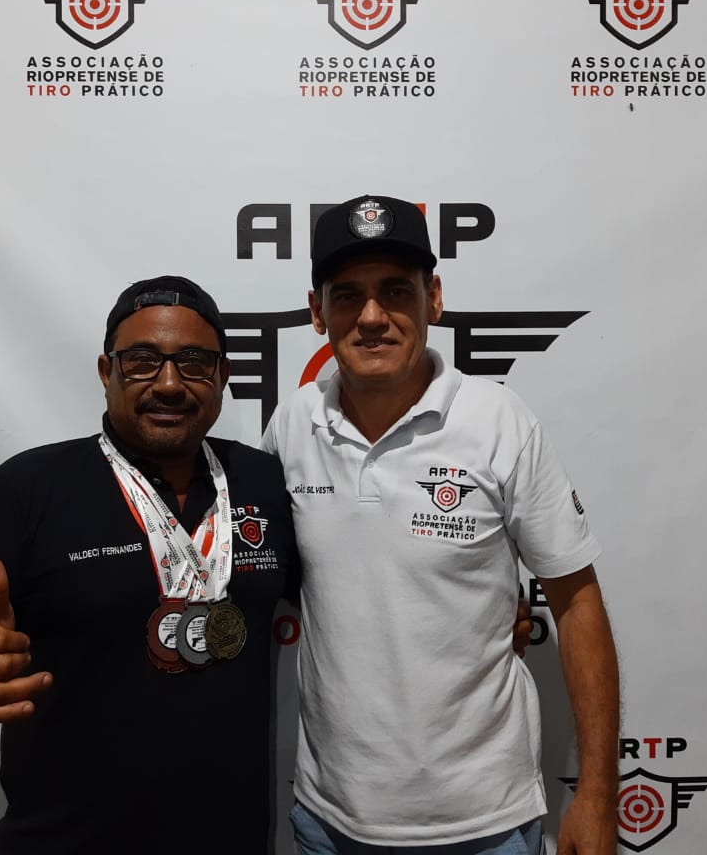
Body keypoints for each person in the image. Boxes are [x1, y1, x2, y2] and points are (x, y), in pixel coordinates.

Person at [0, 276, 300, 854]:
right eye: (142, 361)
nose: (169, 384)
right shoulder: (27, 489)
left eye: (195, 363)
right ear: (107, 372)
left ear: (223, 376)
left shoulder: (264, 483)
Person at [262, 196, 620, 855]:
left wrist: (597, 794)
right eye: (348, 296)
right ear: (317, 311)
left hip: (485, 825)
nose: (373, 317)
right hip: (328, 822)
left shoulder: (499, 421)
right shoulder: (291, 425)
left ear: (434, 298)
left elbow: (576, 603)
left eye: (396, 291)